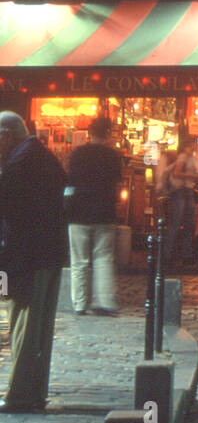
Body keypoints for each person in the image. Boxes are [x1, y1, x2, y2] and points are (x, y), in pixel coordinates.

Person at [0, 112, 67, 412]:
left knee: (24, 325)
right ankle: (33, 390)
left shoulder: (19, 163)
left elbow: (11, 213)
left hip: (29, 257)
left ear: (6, 134)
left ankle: (20, 394)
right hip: (47, 253)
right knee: (38, 327)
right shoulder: (41, 155)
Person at [65, 115, 122, 315]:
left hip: (78, 213)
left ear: (90, 133)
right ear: (107, 133)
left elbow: (69, 182)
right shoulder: (113, 156)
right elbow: (117, 186)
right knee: (103, 258)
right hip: (104, 212)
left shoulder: (78, 154)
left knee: (79, 260)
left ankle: (80, 303)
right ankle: (105, 301)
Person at [159, 133, 198, 267]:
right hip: (181, 191)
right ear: (190, 144)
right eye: (195, 142)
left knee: (185, 223)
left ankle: (180, 254)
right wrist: (193, 176)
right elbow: (177, 173)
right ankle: (170, 255)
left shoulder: (191, 158)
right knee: (178, 223)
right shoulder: (183, 157)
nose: (197, 145)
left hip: (187, 191)